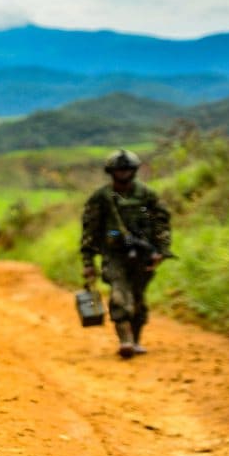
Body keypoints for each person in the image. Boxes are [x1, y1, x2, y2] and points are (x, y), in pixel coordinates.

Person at [81, 149, 171, 359]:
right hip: (114, 255)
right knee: (119, 295)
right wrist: (88, 261)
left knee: (138, 298)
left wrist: (160, 251)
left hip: (143, 254)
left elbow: (161, 222)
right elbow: (90, 230)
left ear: (134, 171)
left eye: (127, 169)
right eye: (119, 170)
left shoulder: (147, 195)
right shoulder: (101, 197)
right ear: (111, 172)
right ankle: (125, 340)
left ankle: (136, 340)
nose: (123, 173)